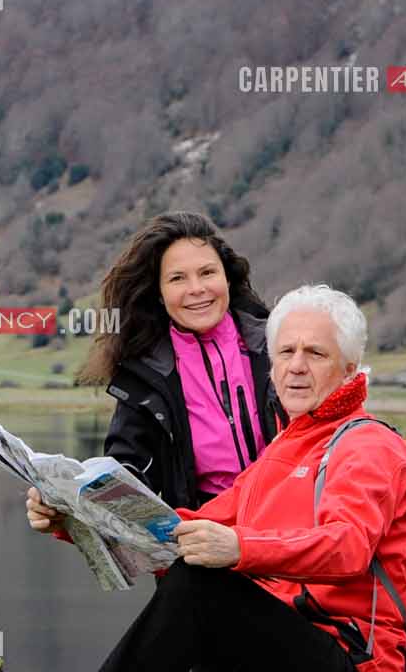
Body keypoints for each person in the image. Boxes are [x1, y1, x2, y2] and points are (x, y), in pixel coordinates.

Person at [27, 285, 406, 672]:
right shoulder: (285, 449)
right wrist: (74, 518)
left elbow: (349, 547)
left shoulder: (369, 447)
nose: (297, 366)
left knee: (199, 582)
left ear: (349, 369)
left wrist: (240, 549)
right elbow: (179, 531)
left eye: (315, 353)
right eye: (286, 352)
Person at [76, 211, 282, 511]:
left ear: (227, 277)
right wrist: (64, 509)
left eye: (207, 272)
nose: (196, 288)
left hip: (288, 520)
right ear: (159, 294)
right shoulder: (146, 376)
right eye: (177, 278)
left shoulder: (281, 344)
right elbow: (128, 475)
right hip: (203, 529)